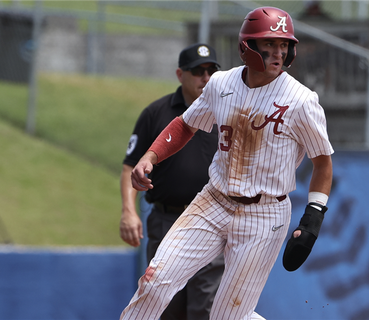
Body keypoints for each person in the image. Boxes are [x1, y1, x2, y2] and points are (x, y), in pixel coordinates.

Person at [121, 6, 334, 320]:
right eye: (270, 44)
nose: (279, 52)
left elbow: (323, 164)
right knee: (154, 283)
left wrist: (312, 219)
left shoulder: (301, 100)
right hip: (213, 201)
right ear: (247, 46)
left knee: (227, 316)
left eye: (284, 45)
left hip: (264, 214)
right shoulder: (221, 84)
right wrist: (151, 156)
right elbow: (186, 125)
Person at [119, 43, 224, 320]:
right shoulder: (157, 112)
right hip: (168, 220)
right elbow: (131, 164)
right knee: (165, 307)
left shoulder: (227, 113)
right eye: (198, 71)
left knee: (207, 307)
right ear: (180, 74)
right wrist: (129, 211)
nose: (206, 77)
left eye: (212, 70)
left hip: (213, 222)